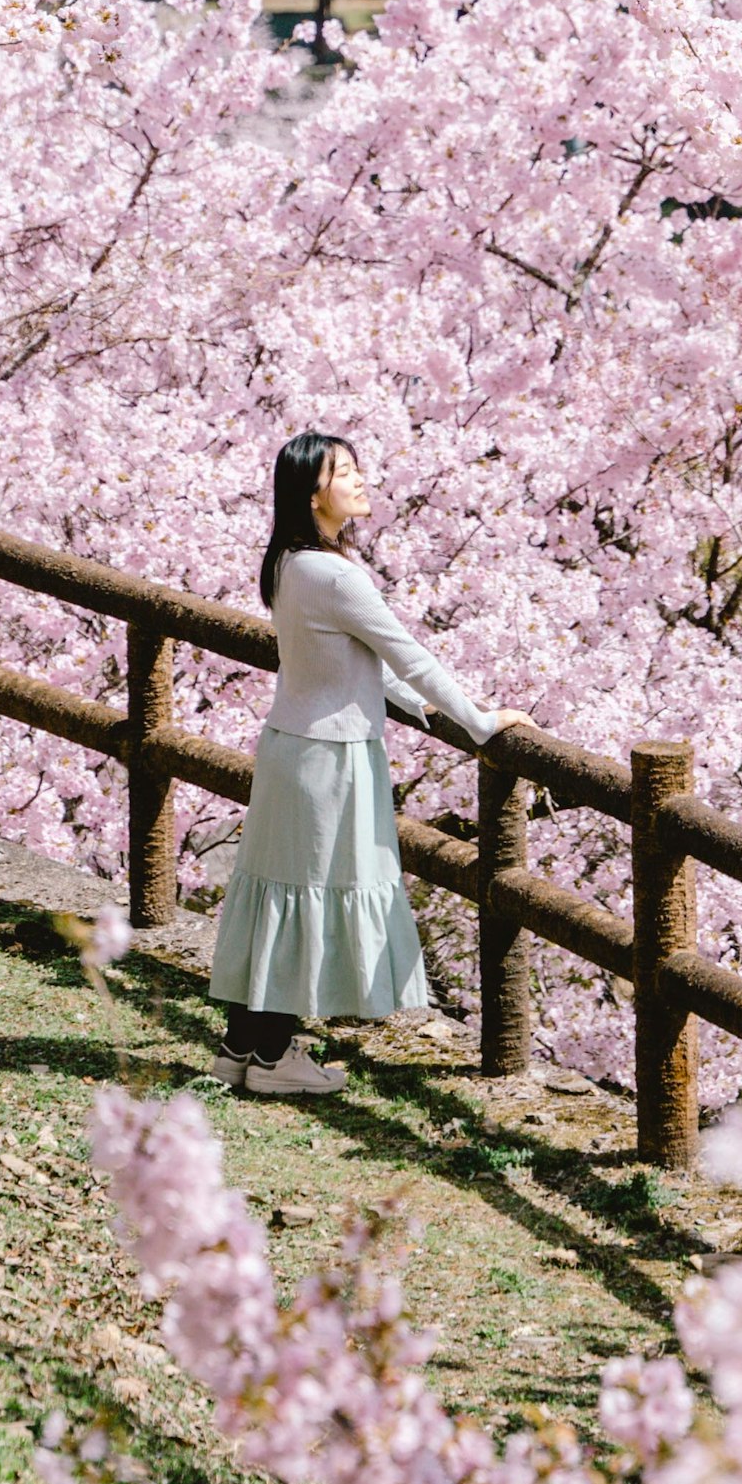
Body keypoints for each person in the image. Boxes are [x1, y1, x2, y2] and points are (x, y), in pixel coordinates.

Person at [211, 432, 498, 1100]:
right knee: (306, 895)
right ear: (313, 491)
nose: (363, 480)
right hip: (332, 756)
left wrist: (418, 708)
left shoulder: (287, 562)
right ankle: (275, 1054)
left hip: (291, 745)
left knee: (280, 893)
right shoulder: (336, 574)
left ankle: (243, 1046)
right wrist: (479, 721)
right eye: (346, 471)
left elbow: (346, 661)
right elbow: (407, 653)